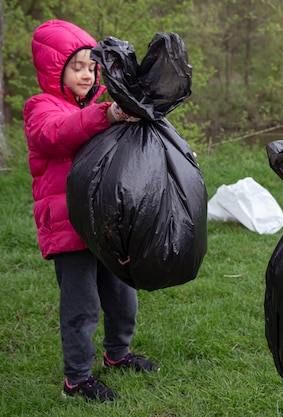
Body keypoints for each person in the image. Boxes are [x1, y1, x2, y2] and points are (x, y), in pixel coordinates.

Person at [23, 19, 159, 402]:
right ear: (56, 70)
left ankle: (118, 354)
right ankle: (77, 379)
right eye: (76, 66)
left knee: (122, 296)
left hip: (104, 225)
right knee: (82, 307)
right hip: (68, 228)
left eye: (90, 66)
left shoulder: (103, 108)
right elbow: (57, 133)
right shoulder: (41, 108)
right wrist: (109, 116)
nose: (86, 74)